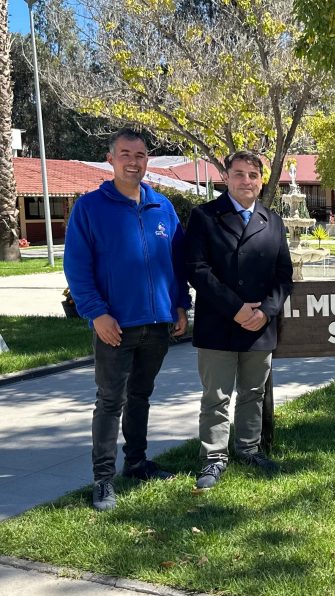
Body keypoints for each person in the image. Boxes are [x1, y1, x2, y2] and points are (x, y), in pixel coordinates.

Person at [64, 128, 190, 511]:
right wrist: (97, 313)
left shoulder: (163, 207)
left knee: (141, 396)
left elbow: (177, 263)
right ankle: (103, 479)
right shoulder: (90, 208)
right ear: (111, 158)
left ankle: (136, 462)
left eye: (140, 155)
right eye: (125, 154)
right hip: (115, 326)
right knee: (109, 400)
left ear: (147, 160)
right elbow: (77, 267)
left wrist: (181, 304)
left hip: (157, 323)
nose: (133, 162)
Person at [184, 150, 293, 489]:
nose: (247, 181)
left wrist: (265, 312)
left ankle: (249, 449)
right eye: (240, 174)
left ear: (261, 181)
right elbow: (196, 270)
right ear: (227, 177)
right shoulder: (204, 216)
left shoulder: (271, 220)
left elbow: (284, 274)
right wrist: (237, 308)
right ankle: (214, 458)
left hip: (260, 327)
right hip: (218, 323)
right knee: (216, 396)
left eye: (253, 175)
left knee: (253, 392)